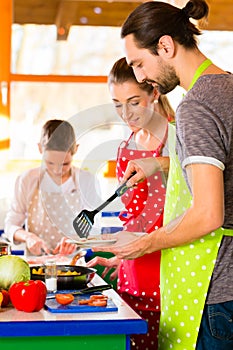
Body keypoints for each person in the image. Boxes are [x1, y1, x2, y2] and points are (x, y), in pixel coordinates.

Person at [92, 1, 233, 349]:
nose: (140, 77)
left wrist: (143, 243)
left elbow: (208, 213)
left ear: (166, 46)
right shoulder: (228, 88)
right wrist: (160, 164)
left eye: (139, 63)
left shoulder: (196, 106)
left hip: (215, 293)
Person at [87, 57, 175, 350]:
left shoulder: (180, 137)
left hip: (172, 279)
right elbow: (136, 217)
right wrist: (123, 257)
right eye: (117, 104)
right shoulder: (125, 147)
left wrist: (162, 163)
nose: (125, 113)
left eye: (134, 102)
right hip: (132, 278)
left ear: (154, 92)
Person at [4, 119, 101, 256]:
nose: (57, 171)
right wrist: (28, 237)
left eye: (65, 164)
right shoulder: (26, 180)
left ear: (76, 150)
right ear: (39, 149)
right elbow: (10, 225)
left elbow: (95, 228)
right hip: (34, 265)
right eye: (50, 163)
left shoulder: (87, 180)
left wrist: (75, 240)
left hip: (72, 266)